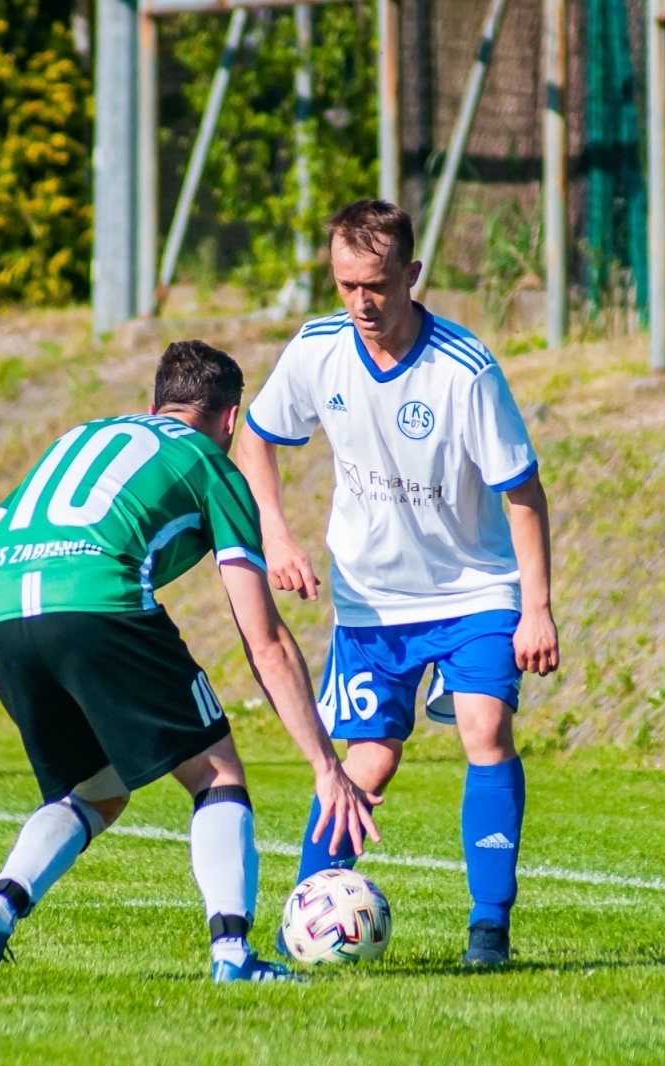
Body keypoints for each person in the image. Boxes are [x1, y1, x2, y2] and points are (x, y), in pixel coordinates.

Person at [0, 341, 379, 988]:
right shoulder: (212, 466)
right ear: (230, 421)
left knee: (93, 792)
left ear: (154, 405)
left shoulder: (79, 437)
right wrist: (325, 766)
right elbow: (266, 642)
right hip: (94, 601)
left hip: (0, 609)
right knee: (216, 772)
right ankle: (233, 957)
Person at [235, 199, 560, 967]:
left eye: (377, 284)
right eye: (346, 284)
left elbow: (523, 491)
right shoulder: (318, 350)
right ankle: (310, 916)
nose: (362, 303)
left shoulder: (465, 370)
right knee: (368, 763)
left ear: (413, 275)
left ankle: (489, 927)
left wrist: (537, 608)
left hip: (475, 589)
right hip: (370, 599)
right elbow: (255, 441)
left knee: (484, 728)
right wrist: (275, 535)